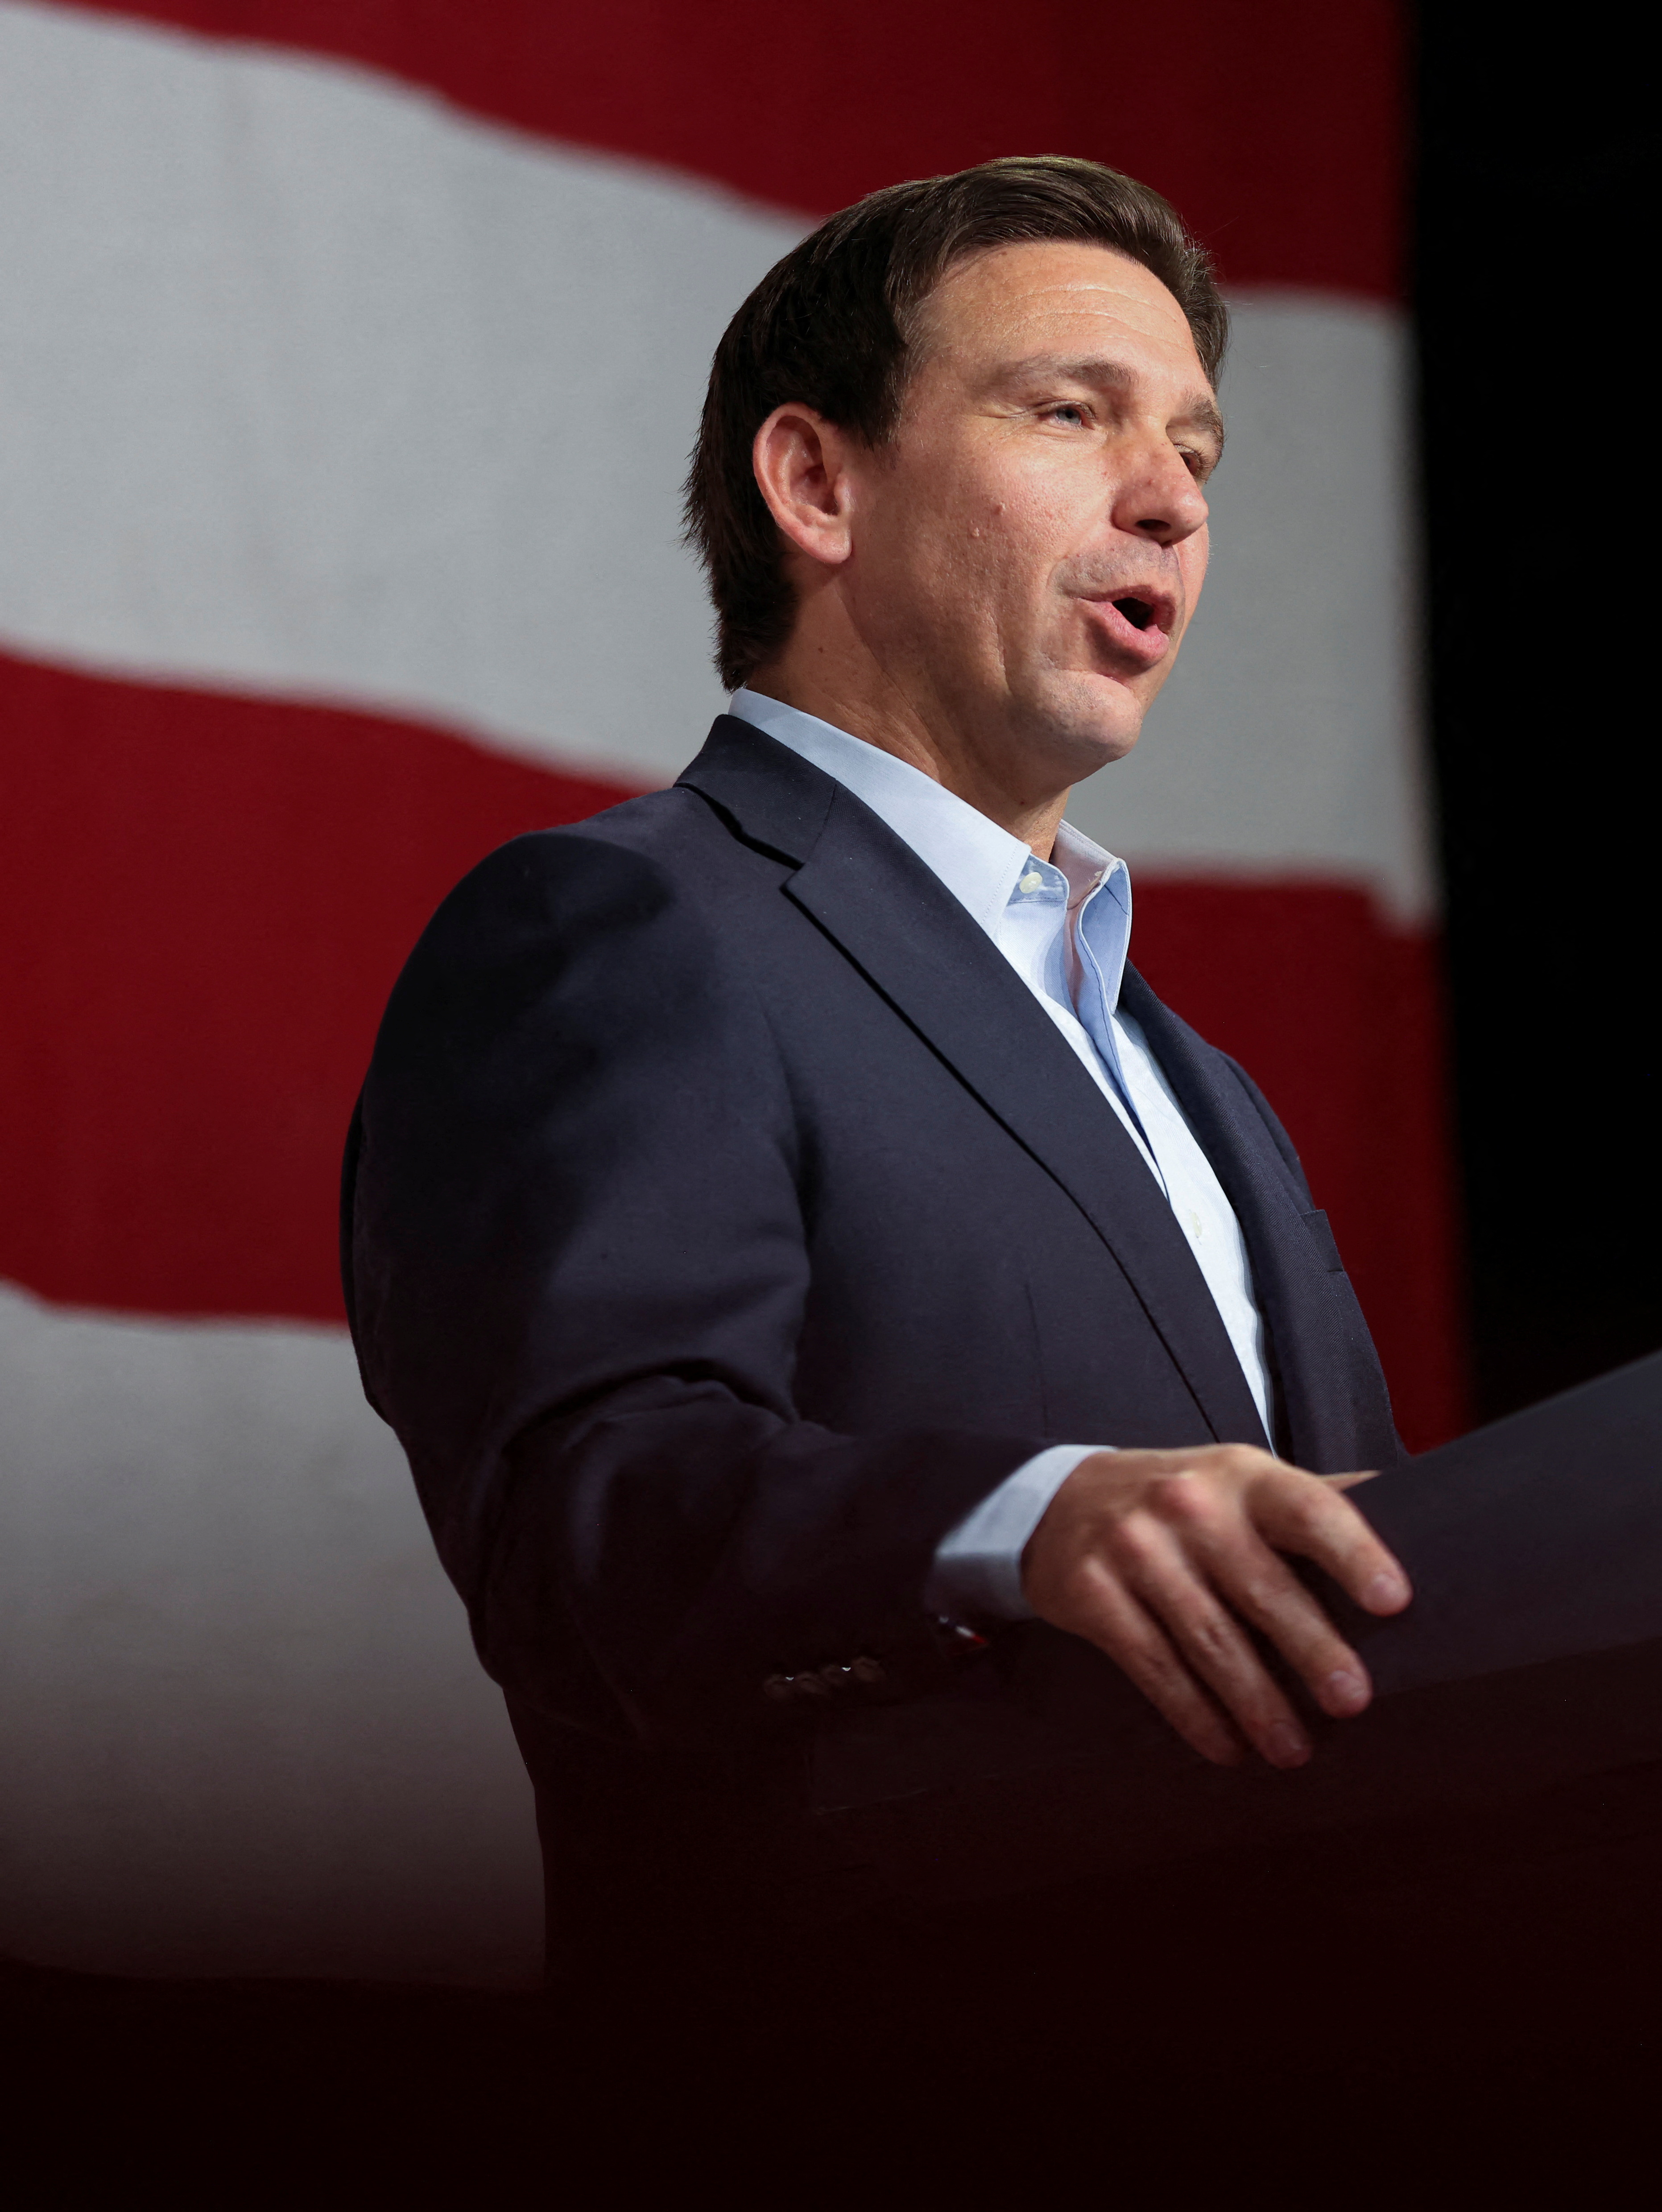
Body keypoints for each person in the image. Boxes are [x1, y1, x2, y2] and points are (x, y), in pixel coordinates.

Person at [341, 156, 1414, 2012]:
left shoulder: (1203, 1087)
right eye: (1070, 413)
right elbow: (590, 1526)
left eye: (1196, 451)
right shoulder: (625, 927)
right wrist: (1024, 1522)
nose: (1170, 498)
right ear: (817, 485)